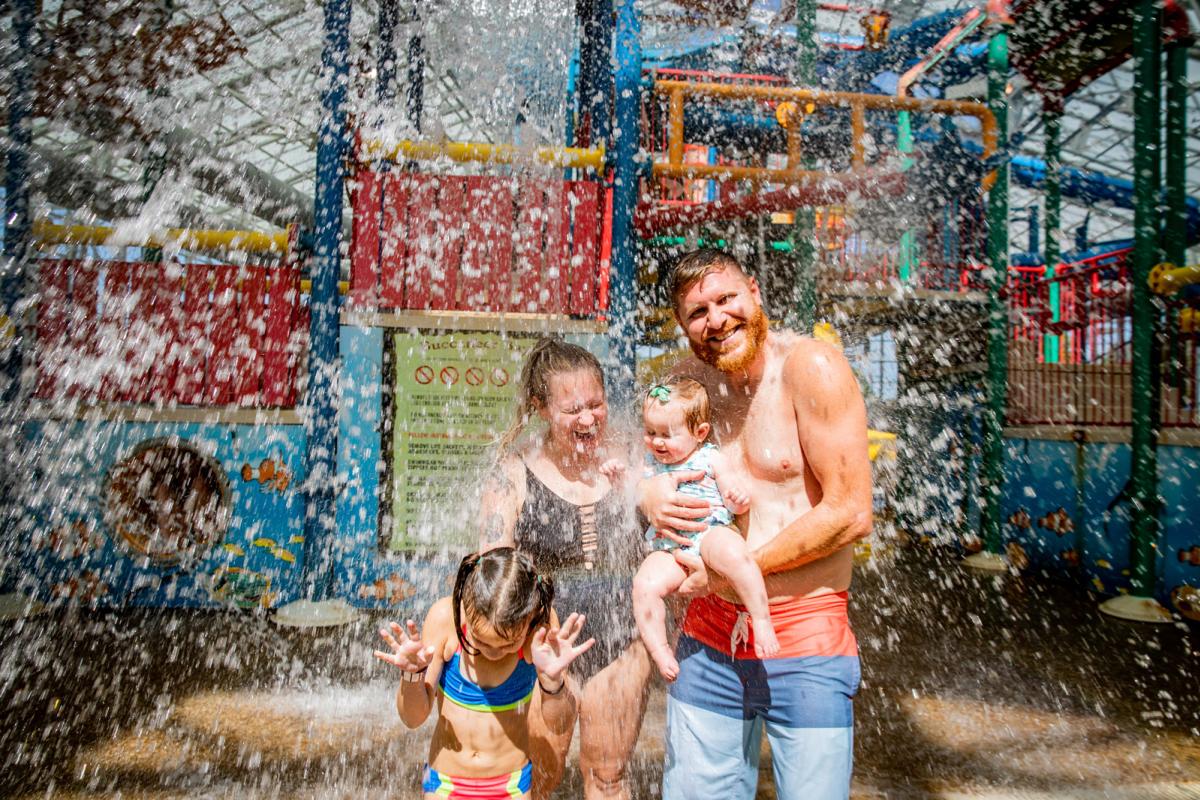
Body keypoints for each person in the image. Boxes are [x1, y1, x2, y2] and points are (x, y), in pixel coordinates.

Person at [639, 248, 873, 800]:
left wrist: (734, 572)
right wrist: (646, 493)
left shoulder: (811, 367)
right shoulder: (685, 388)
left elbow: (851, 512)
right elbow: (641, 458)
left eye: (726, 300)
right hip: (707, 633)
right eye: (698, 312)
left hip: (806, 633)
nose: (716, 320)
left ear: (755, 292)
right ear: (682, 325)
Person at [479, 336, 652, 800]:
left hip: (620, 637)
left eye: (596, 404)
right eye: (573, 409)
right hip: (543, 643)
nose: (588, 418)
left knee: (608, 776)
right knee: (538, 778)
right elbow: (490, 570)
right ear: (541, 407)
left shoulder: (632, 459)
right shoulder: (514, 473)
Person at [374, 548, 593, 800]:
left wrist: (552, 682)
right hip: (444, 784)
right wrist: (412, 675)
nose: (494, 652)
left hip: (510, 786)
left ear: (529, 620)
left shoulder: (539, 630)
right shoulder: (445, 618)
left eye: (508, 644)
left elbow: (559, 724)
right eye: (481, 641)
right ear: (467, 607)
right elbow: (412, 719)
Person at [621, 376, 778, 681]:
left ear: (700, 432)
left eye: (667, 434)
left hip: (710, 532)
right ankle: (660, 649)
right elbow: (630, 488)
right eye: (650, 432)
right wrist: (621, 478)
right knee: (643, 585)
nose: (657, 441)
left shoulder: (711, 459)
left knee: (736, 556)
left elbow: (735, 502)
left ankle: (760, 618)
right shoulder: (650, 464)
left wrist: (738, 500)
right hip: (670, 547)